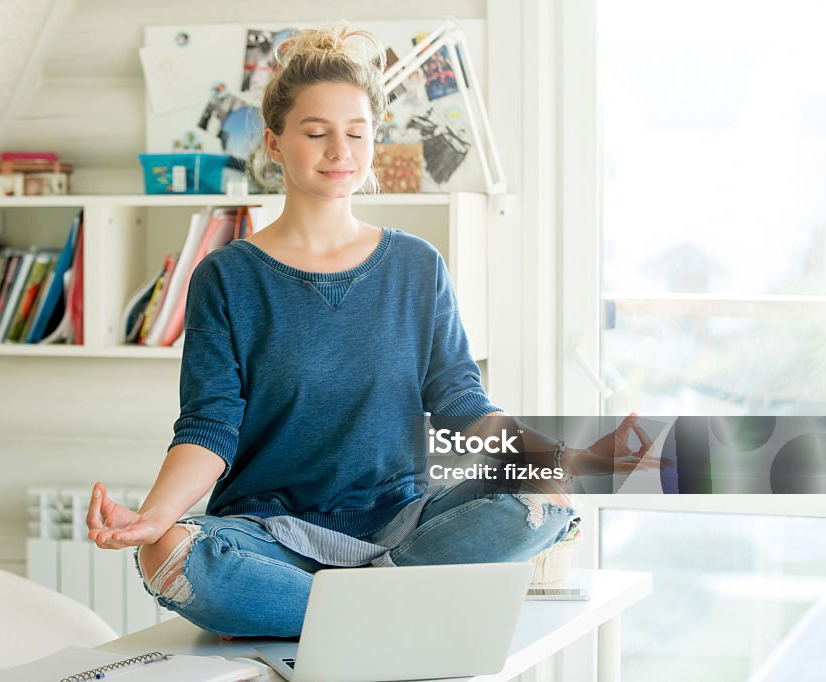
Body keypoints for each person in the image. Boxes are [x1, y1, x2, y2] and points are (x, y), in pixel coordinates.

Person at [88, 22, 654, 639]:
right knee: (168, 556)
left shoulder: (416, 266)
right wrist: (154, 517)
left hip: (401, 522)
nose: (341, 151)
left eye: (357, 133)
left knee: (539, 502)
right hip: (273, 531)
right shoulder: (227, 277)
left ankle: (342, 612)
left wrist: (552, 460)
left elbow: (461, 404)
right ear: (274, 144)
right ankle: (392, 612)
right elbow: (209, 428)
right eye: (317, 132)